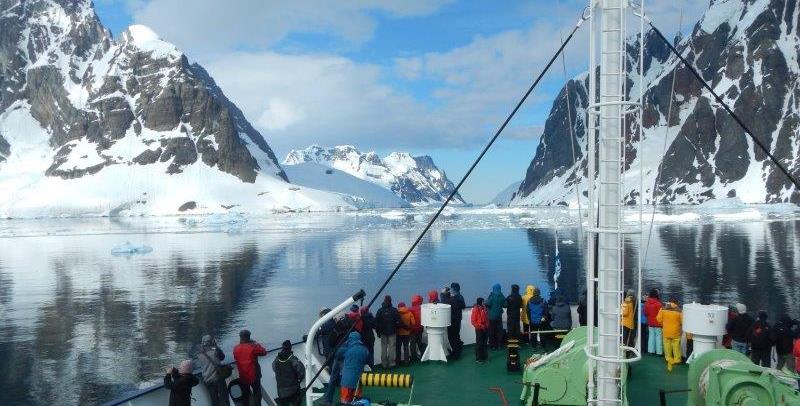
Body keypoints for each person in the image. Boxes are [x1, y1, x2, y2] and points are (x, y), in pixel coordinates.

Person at [233, 329, 268, 406]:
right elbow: (264, 352)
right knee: (257, 395)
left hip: (243, 376)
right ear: (248, 337)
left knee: (245, 396)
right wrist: (255, 343)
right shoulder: (253, 346)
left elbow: (236, 357)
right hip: (254, 376)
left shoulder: (235, 348)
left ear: (240, 337)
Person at [339, 332, 370, 404]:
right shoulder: (364, 349)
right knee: (357, 401)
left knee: (344, 401)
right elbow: (367, 359)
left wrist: (345, 344)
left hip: (346, 381)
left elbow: (337, 353)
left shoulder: (347, 350)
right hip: (358, 379)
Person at [196, 335, 227, 406]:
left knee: (214, 400)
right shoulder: (215, 351)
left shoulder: (199, 354)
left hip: (207, 380)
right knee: (224, 398)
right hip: (218, 378)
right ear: (211, 342)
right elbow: (222, 357)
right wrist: (216, 346)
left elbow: (197, 365)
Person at [272, 340, 305, 406]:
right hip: (294, 389)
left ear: (282, 348)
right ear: (290, 347)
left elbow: (274, 368)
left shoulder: (277, 359)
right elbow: (301, 371)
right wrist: (299, 379)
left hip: (281, 390)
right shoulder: (292, 358)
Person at [657, 299, 683, 372]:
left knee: (666, 344)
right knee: (676, 345)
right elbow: (682, 321)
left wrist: (663, 324)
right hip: (676, 332)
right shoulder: (679, 311)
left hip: (666, 331)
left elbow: (658, 319)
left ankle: (668, 358)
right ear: (676, 303)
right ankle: (677, 359)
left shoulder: (662, 309)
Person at [375, 295, 400, 369]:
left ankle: (384, 364)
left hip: (383, 332)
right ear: (391, 301)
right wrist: (396, 329)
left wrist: (378, 332)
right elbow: (398, 321)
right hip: (392, 332)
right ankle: (391, 363)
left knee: (383, 348)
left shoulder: (380, 311)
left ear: (384, 301)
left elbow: (377, 323)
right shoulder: (394, 310)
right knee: (392, 348)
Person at [449, 282, 467, 358]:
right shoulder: (460, 297)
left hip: (453, 320)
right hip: (458, 319)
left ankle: (456, 353)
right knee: (456, 335)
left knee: (452, 336)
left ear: (453, 289)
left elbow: (445, 302)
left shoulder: (453, 298)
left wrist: (443, 294)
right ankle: (458, 347)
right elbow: (463, 306)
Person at [644, 289, 663, 355]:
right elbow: (661, 314)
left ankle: (651, 351)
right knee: (658, 337)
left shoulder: (646, 303)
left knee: (651, 336)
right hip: (658, 323)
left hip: (650, 322)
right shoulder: (659, 304)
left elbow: (645, 313)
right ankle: (659, 352)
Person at [486, 284, 505, 350]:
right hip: (499, 317)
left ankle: (492, 345)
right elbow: (505, 305)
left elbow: (487, 304)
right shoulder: (501, 296)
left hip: (491, 317)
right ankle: (499, 344)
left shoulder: (491, 296)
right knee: (499, 331)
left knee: (491, 331)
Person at [471, 297, 489, 362]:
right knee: (479, 343)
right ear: (480, 302)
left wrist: (487, 325)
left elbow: (486, 318)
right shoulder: (475, 309)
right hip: (479, 329)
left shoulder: (484, 308)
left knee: (484, 343)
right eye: (483, 301)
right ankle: (478, 358)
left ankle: (485, 357)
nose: (484, 303)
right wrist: (480, 326)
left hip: (485, 328)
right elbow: (473, 321)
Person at [410, 294, 424, 361]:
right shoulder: (423, 308)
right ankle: (422, 355)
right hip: (420, 329)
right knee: (419, 343)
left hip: (412, 330)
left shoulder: (409, 309)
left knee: (412, 344)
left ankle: (413, 357)